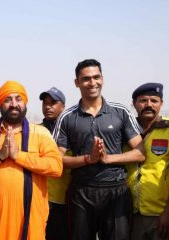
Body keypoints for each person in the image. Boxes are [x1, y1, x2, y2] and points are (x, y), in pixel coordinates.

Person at [53, 59, 145, 240]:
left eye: (96, 77)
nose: (92, 83)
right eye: (86, 79)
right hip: (81, 192)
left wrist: (109, 158)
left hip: (116, 191)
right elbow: (56, 159)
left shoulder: (121, 112)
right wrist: (88, 158)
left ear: (102, 79)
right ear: (77, 82)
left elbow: (141, 152)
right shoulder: (67, 117)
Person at [0, 80, 63, 240]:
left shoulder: (40, 133)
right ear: (0, 104)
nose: (13, 104)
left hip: (32, 220)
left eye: (18, 99)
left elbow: (56, 167)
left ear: (25, 103)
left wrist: (19, 156)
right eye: (7, 99)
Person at [126, 83, 169, 240]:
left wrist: (167, 213)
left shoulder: (167, 129)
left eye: (154, 100)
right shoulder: (126, 130)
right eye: (143, 100)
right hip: (131, 213)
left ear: (161, 103)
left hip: (160, 214)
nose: (149, 105)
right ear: (134, 103)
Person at [39, 87, 69, 240]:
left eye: (53, 103)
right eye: (45, 103)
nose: (48, 107)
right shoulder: (36, 131)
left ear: (63, 106)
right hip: (42, 197)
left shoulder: (72, 129)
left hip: (67, 198)